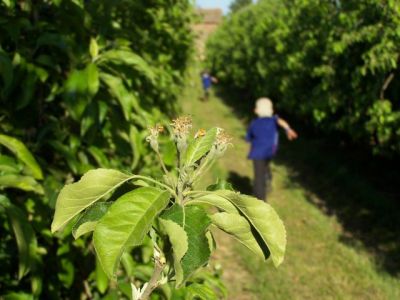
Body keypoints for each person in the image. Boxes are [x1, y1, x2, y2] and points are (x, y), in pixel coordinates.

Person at [246, 97, 298, 201]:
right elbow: (281, 122)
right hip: (270, 151)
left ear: (256, 110)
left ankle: (261, 202)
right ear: (271, 110)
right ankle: (268, 176)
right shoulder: (274, 120)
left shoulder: (253, 123)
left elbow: (249, 138)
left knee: (258, 179)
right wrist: (288, 129)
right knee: (265, 166)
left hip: (258, 153)